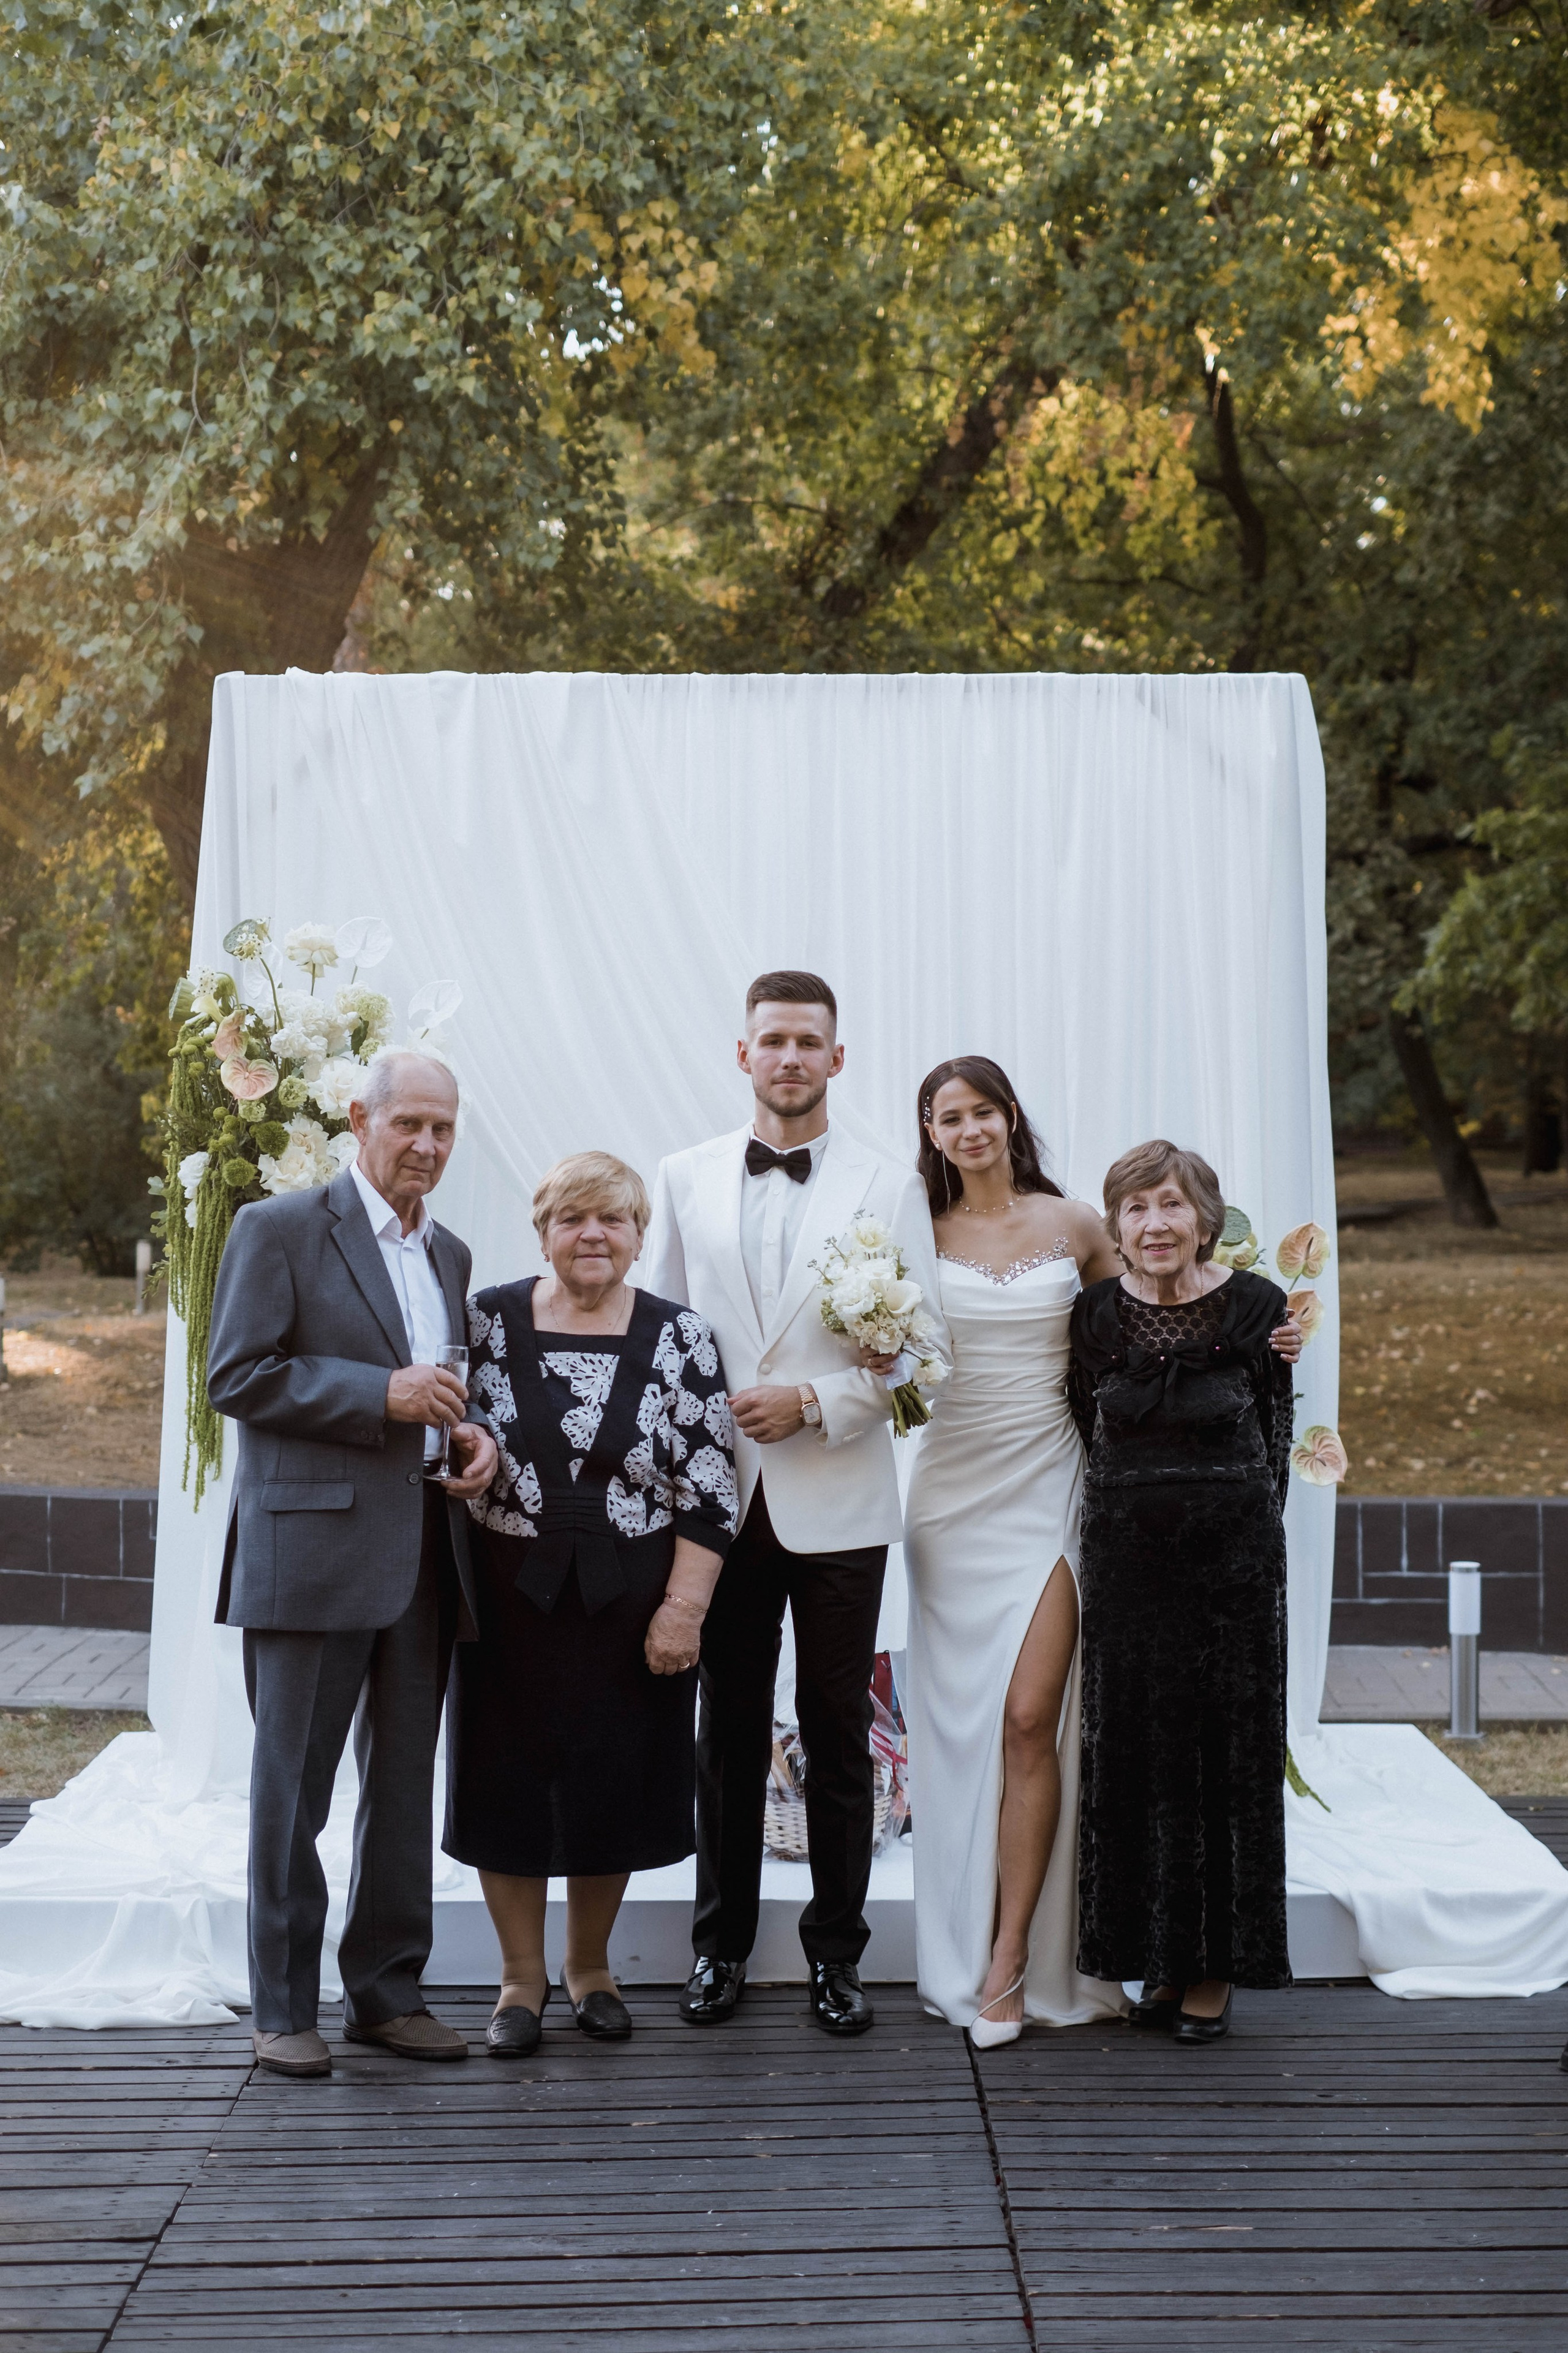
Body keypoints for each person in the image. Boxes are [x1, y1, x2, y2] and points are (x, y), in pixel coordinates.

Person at [641, 971, 950, 2036]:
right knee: (724, 1731)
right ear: (743, 1054)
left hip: (840, 1506)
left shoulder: (888, 1185)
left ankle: (838, 1956)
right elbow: (664, 1341)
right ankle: (718, 1949)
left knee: (837, 1731)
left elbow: (929, 1355)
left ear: (837, 1058)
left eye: (808, 1041)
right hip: (719, 1506)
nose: (788, 1057)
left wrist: (818, 1398)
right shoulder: (681, 1177)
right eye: (771, 1039)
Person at [207, 1051, 498, 2079]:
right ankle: (284, 2005)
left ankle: (387, 1992)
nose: (427, 1145)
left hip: (426, 1550)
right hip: (311, 1549)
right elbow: (237, 1374)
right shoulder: (279, 1229)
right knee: (294, 1790)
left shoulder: (452, 1254)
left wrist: (475, 1442)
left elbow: (448, 1392)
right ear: (358, 1119)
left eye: (444, 1129)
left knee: (403, 1786)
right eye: (410, 1123)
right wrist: (383, 1394)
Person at [445, 1152, 737, 2054]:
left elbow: (712, 1488)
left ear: (640, 1236)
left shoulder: (683, 1337)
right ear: (543, 1232)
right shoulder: (485, 1320)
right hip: (507, 1591)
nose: (594, 1235)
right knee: (507, 1776)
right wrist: (464, 1456)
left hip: (634, 1595)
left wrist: (682, 1609)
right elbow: (441, 1427)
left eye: (613, 1220)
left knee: (613, 1772)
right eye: (574, 1219)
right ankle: (518, 1980)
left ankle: (592, 1969)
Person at [901, 1058, 1128, 2046]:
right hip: (949, 1497)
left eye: (982, 1110)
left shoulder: (1074, 1223)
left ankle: (1012, 1958)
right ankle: (957, 1938)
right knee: (963, 1734)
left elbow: (1149, 1323)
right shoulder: (915, 1232)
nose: (969, 1129)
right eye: (949, 1117)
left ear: (1009, 1116)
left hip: (1051, 1482)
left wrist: (1264, 1327)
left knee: (1033, 1716)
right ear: (933, 1132)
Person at [1068, 1139, 1298, 2044]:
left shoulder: (1258, 1309)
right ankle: (1155, 1957)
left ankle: (1214, 1968)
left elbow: (1276, 1443)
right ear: (1115, 1224)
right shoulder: (1092, 1316)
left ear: (1205, 1215)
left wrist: (1244, 1549)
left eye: (1171, 1205)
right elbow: (1087, 1429)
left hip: (1232, 1570)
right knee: (1135, 1754)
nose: (1155, 1224)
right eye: (1135, 1208)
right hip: (1126, 1566)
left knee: (1225, 1756)